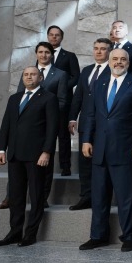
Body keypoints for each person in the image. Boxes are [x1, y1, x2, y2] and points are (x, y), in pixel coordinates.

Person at [79, 48, 132, 252]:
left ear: (128, 62)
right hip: (99, 149)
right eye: (115, 59)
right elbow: (91, 114)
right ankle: (98, 236)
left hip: (125, 149)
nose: (118, 62)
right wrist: (86, 140)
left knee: (126, 196)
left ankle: (129, 236)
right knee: (99, 196)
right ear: (109, 62)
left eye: (122, 59)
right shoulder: (99, 84)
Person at [0, 67, 59, 247]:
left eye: (33, 74)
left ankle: (30, 234)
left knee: (36, 195)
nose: (29, 77)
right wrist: (1, 149)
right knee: (15, 196)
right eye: (26, 75)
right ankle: (14, 232)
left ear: (41, 77)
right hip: (14, 154)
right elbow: (6, 124)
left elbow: (52, 128)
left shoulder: (48, 98)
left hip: (37, 155)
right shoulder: (14, 98)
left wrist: (46, 152)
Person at [15, 42, 68, 207]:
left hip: (46, 124)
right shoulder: (28, 72)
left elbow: (62, 100)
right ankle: (12, 196)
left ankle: (42, 197)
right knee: (17, 162)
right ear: (36, 53)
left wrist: (44, 110)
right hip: (25, 125)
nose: (43, 55)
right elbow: (19, 96)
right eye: (40, 52)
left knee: (46, 161)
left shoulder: (60, 74)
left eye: (47, 52)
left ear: (52, 54)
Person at [68, 38, 112, 211]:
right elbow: (78, 95)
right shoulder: (86, 70)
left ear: (110, 51)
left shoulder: (113, 70)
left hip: (104, 124)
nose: (99, 52)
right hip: (86, 122)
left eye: (103, 49)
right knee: (84, 162)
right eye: (96, 48)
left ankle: (101, 198)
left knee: (101, 162)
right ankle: (85, 196)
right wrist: (73, 117)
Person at [46, 25, 80, 176]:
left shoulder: (69, 56)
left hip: (63, 100)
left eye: (57, 35)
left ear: (61, 37)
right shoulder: (43, 55)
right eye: (51, 35)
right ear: (48, 36)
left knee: (63, 135)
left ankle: (65, 166)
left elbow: (76, 76)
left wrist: (62, 87)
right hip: (45, 101)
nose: (54, 37)